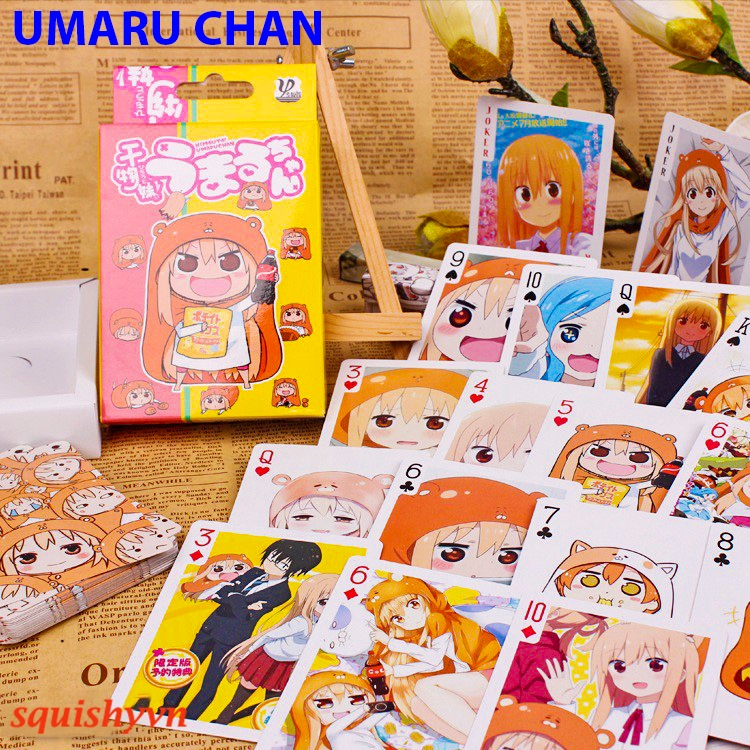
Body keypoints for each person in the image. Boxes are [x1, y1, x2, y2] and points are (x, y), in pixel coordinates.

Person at [160, 539, 322, 721]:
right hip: (210, 627)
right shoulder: (253, 572)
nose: (272, 564)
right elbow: (220, 595)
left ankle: (189, 718)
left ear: (294, 570)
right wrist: (241, 601)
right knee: (187, 670)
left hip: (232, 639)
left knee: (210, 684)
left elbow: (244, 613)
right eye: (271, 557)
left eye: (282, 565)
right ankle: (165, 709)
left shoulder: (283, 592)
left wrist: (234, 596)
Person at [366, 575, 500, 744]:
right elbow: (433, 665)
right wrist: (394, 670)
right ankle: (483, 744)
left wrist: (391, 643)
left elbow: (434, 659)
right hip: (468, 689)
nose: (411, 617)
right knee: (416, 704)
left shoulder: (440, 620)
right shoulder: (422, 636)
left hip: (493, 678)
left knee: (424, 686)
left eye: (414, 604)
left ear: (427, 599)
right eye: (398, 618)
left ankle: (487, 736)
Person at [216, 574, 337, 724]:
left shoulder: (324, 625)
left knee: (271, 704)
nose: (328, 608)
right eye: (323, 602)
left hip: (286, 665)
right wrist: (248, 652)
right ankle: (222, 720)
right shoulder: (301, 623)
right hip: (266, 659)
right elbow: (269, 636)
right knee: (242, 696)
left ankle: (252, 724)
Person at [639, 140, 750, 283]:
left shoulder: (719, 227)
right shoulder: (680, 228)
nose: (701, 201)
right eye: (693, 193)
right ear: (684, 198)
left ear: (718, 196)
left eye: (709, 192)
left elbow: (746, 194)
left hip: (702, 295)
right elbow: (671, 267)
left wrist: (724, 151)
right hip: (675, 291)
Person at [496, 134, 591, 256]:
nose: (540, 204)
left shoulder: (580, 244)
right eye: (525, 195)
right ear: (512, 201)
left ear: (572, 192)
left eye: (553, 190)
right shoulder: (517, 249)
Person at [637, 298, 721, 407]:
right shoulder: (661, 355)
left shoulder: (703, 360)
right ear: (672, 323)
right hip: (658, 406)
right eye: (683, 321)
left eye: (703, 326)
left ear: (710, 332)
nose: (691, 330)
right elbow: (654, 387)